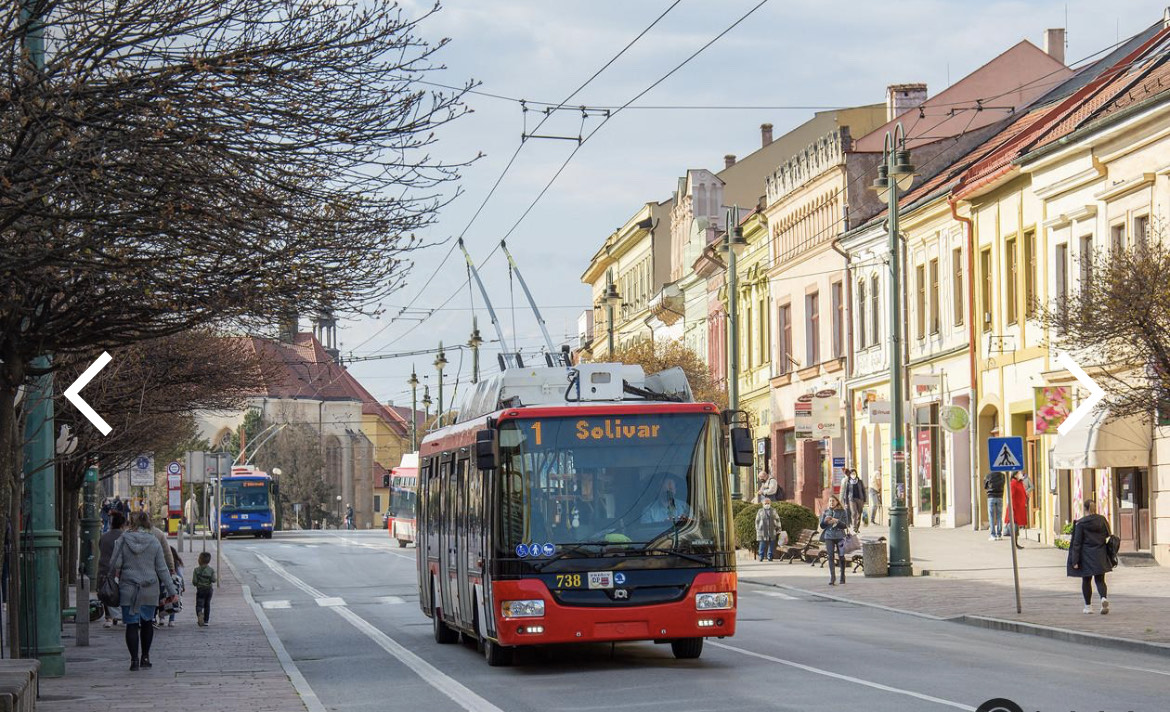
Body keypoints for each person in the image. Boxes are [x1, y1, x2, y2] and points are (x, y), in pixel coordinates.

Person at [109, 511, 178, 671]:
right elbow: (162, 569)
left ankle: (134, 660)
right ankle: (145, 657)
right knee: (147, 623)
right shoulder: (154, 541)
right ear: (148, 523)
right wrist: (172, 591)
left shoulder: (123, 540)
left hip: (128, 588)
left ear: (132, 523)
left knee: (131, 625)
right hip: (149, 589)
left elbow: (115, 563)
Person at [1067, 500, 1114, 615]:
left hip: (1086, 555)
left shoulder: (1081, 523)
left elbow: (1077, 543)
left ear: (1085, 509)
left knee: (1086, 580)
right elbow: (1108, 534)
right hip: (1100, 553)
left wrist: (1075, 560)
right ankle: (1103, 598)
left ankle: (1088, 607)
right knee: (1100, 579)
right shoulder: (1102, 520)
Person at [98, 510, 127, 628]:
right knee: (122, 593)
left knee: (108, 592)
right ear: (122, 524)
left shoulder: (104, 537)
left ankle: (109, 617)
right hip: (121, 570)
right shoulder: (125, 537)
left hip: (105, 569)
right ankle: (123, 616)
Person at [820, 495, 851, 585]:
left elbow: (845, 525)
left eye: (833, 501)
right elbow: (822, 526)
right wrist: (825, 521)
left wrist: (837, 521)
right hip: (828, 537)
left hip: (840, 537)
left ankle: (842, 576)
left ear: (837, 502)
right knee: (830, 556)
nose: (831, 503)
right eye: (830, 501)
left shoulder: (842, 512)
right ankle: (832, 577)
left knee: (841, 556)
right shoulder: (826, 512)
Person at [160, 548, 185, 627]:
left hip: (163, 583)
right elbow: (180, 575)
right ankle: (171, 620)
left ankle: (162, 618)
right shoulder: (176, 563)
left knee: (163, 600)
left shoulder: (162, 561)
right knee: (173, 601)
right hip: (174, 584)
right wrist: (182, 585)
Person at [192, 551, 217, 627]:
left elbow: (194, 581)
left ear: (200, 560)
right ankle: (206, 621)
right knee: (207, 605)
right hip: (209, 589)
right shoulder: (211, 570)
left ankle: (199, 613)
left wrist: (197, 584)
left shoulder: (196, 570)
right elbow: (214, 580)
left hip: (200, 589)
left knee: (199, 604)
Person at [1004, 471, 1028, 549]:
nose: (1021, 474)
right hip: (1014, 508)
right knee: (1015, 528)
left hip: (1019, 508)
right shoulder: (1013, 483)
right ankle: (1015, 544)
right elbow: (1012, 496)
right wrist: (1012, 509)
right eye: (1019, 473)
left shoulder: (1020, 483)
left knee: (1016, 528)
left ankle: (1015, 543)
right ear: (1015, 475)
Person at [984, 470, 1006, 541]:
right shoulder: (1002, 475)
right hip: (1000, 496)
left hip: (991, 497)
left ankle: (993, 535)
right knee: (999, 516)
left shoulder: (988, 475)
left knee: (991, 516)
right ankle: (999, 535)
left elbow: (985, 486)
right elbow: (1003, 484)